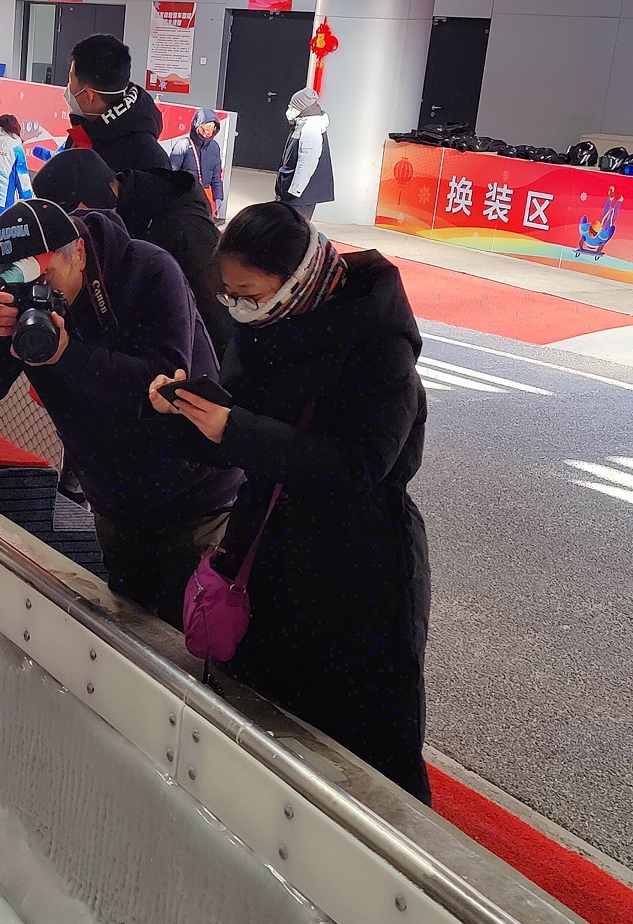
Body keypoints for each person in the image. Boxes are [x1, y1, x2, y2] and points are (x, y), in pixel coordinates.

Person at [148, 203, 431, 803]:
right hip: (272, 551)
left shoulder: (380, 343)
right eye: (228, 295)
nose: (236, 307)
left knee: (368, 751)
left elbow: (360, 467)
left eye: (248, 294)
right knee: (270, 724)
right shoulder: (263, 331)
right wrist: (181, 414)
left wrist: (236, 429)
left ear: (298, 280)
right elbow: (236, 427)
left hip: (363, 574)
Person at [0, 199, 241, 628]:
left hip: (195, 495)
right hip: (115, 502)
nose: (39, 290)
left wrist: (69, 357)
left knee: (196, 637)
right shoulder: (17, 296)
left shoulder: (149, 270)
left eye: (47, 275)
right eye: (24, 280)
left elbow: (160, 384)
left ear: (78, 252)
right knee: (131, 633)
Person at [32, 147, 231, 357]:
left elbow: (215, 311)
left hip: (188, 363)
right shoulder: (123, 222)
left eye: (70, 215)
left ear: (90, 197)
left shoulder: (180, 227)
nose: (73, 227)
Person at [59, 34, 168, 175]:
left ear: (88, 96)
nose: (68, 87)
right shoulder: (88, 127)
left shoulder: (148, 161)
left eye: (71, 80)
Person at [276, 89, 334, 219]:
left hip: (300, 195)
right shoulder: (302, 124)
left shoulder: (311, 128)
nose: (289, 110)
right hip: (293, 191)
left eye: (293, 107)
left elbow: (308, 161)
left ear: (303, 108)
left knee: (294, 228)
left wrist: (295, 190)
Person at [169, 108, 225, 220]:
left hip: (205, 195)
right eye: (204, 127)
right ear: (197, 126)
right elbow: (171, 173)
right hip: (186, 194)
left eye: (211, 127)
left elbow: (216, 176)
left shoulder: (214, 147)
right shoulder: (183, 145)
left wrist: (218, 197)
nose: (207, 131)